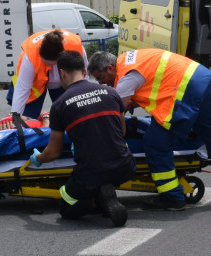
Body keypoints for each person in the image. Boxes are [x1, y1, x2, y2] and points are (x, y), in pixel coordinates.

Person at [88, 49, 211, 210]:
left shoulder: (126, 77)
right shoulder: (130, 59)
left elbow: (115, 112)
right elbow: (149, 84)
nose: (102, 83)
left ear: (110, 68)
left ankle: (172, 197)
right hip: (199, 79)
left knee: (155, 143)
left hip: (182, 90)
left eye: (101, 78)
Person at [30, 50, 135, 227]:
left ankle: (99, 202)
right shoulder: (111, 92)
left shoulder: (59, 105)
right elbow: (121, 131)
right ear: (85, 72)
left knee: (66, 207)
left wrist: (38, 158)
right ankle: (104, 191)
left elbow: (53, 152)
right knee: (101, 178)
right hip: (125, 167)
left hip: (92, 172)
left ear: (62, 73)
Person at [2, 29, 87, 129]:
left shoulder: (75, 47)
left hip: (63, 83)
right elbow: (22, 89)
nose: (48, 66)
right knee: (26, 123)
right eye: (45, 62)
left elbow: (83, 79)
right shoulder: (31, 55)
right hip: (34, 86)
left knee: (71, 116)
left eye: (51, 64)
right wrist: (15, 116)